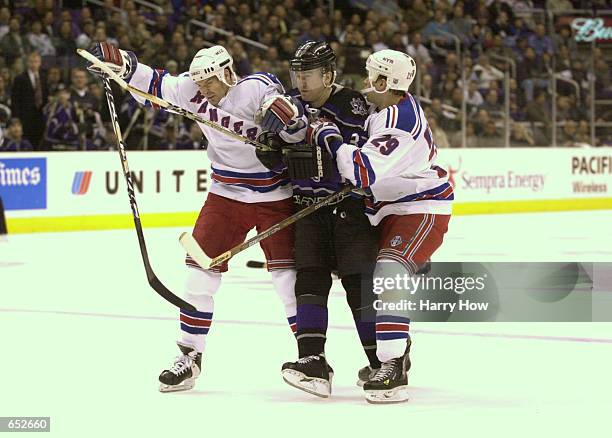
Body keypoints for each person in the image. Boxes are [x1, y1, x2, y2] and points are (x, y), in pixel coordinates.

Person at [88, 42, 301, 393]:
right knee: (199, 277)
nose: (204, 90)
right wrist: (120, 63)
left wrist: (285, 117)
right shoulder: (191, 89)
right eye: (200, 83)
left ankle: (310, 357)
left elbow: (282, 108)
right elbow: (153, 84)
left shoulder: (254, 88)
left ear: (228, 73)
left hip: (275, 194)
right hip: (227, 194)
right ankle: (189, 356)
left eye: (210, 82)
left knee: (287, 282)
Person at [306, 49, 453, 403]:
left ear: (385, 81)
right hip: (383, 210)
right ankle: (396, 350)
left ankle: (392, 367)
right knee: (360, 273)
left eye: (371, 74)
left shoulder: (399, 123)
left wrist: (331, 138)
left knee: (389, 271)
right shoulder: (382, 108)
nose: (364, 80)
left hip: (417, 207)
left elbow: (361, 171)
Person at [257, 41, 381, 398]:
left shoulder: (353, 104)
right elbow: (279, 161)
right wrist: (271, 148)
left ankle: (381, 361)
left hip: (350, 209)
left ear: (328, 75)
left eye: (307, 74)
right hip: (307, 210)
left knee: (358, 287)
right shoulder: (292, 105)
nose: (300, 81)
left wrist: (312, 131)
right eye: (296, 73)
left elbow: (353, 153)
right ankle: (313, 361)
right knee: (308, 282)